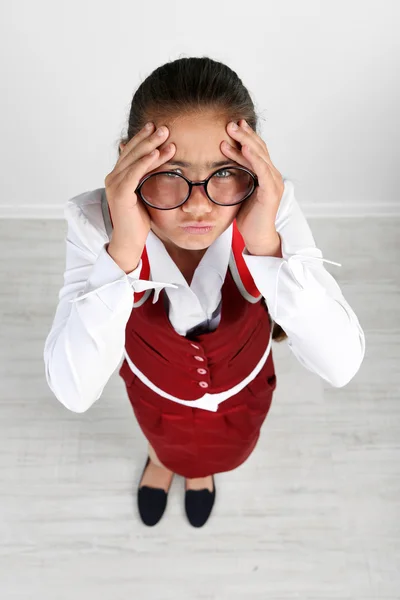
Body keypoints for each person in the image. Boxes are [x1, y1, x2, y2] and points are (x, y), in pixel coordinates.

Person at [43, 56, 365, 528]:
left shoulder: (271, 205)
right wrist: (124, 251)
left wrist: (266, 246)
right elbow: (73, 391)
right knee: (163, 439)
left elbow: (341, 365)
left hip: (243, 393)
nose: (198, 206)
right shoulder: (96, 224)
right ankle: (163, 460)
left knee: (220, 451)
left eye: (224, 171)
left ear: (253, 161)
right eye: (171, 173)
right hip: (155, 394)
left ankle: (201, 474)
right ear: (128, 159)